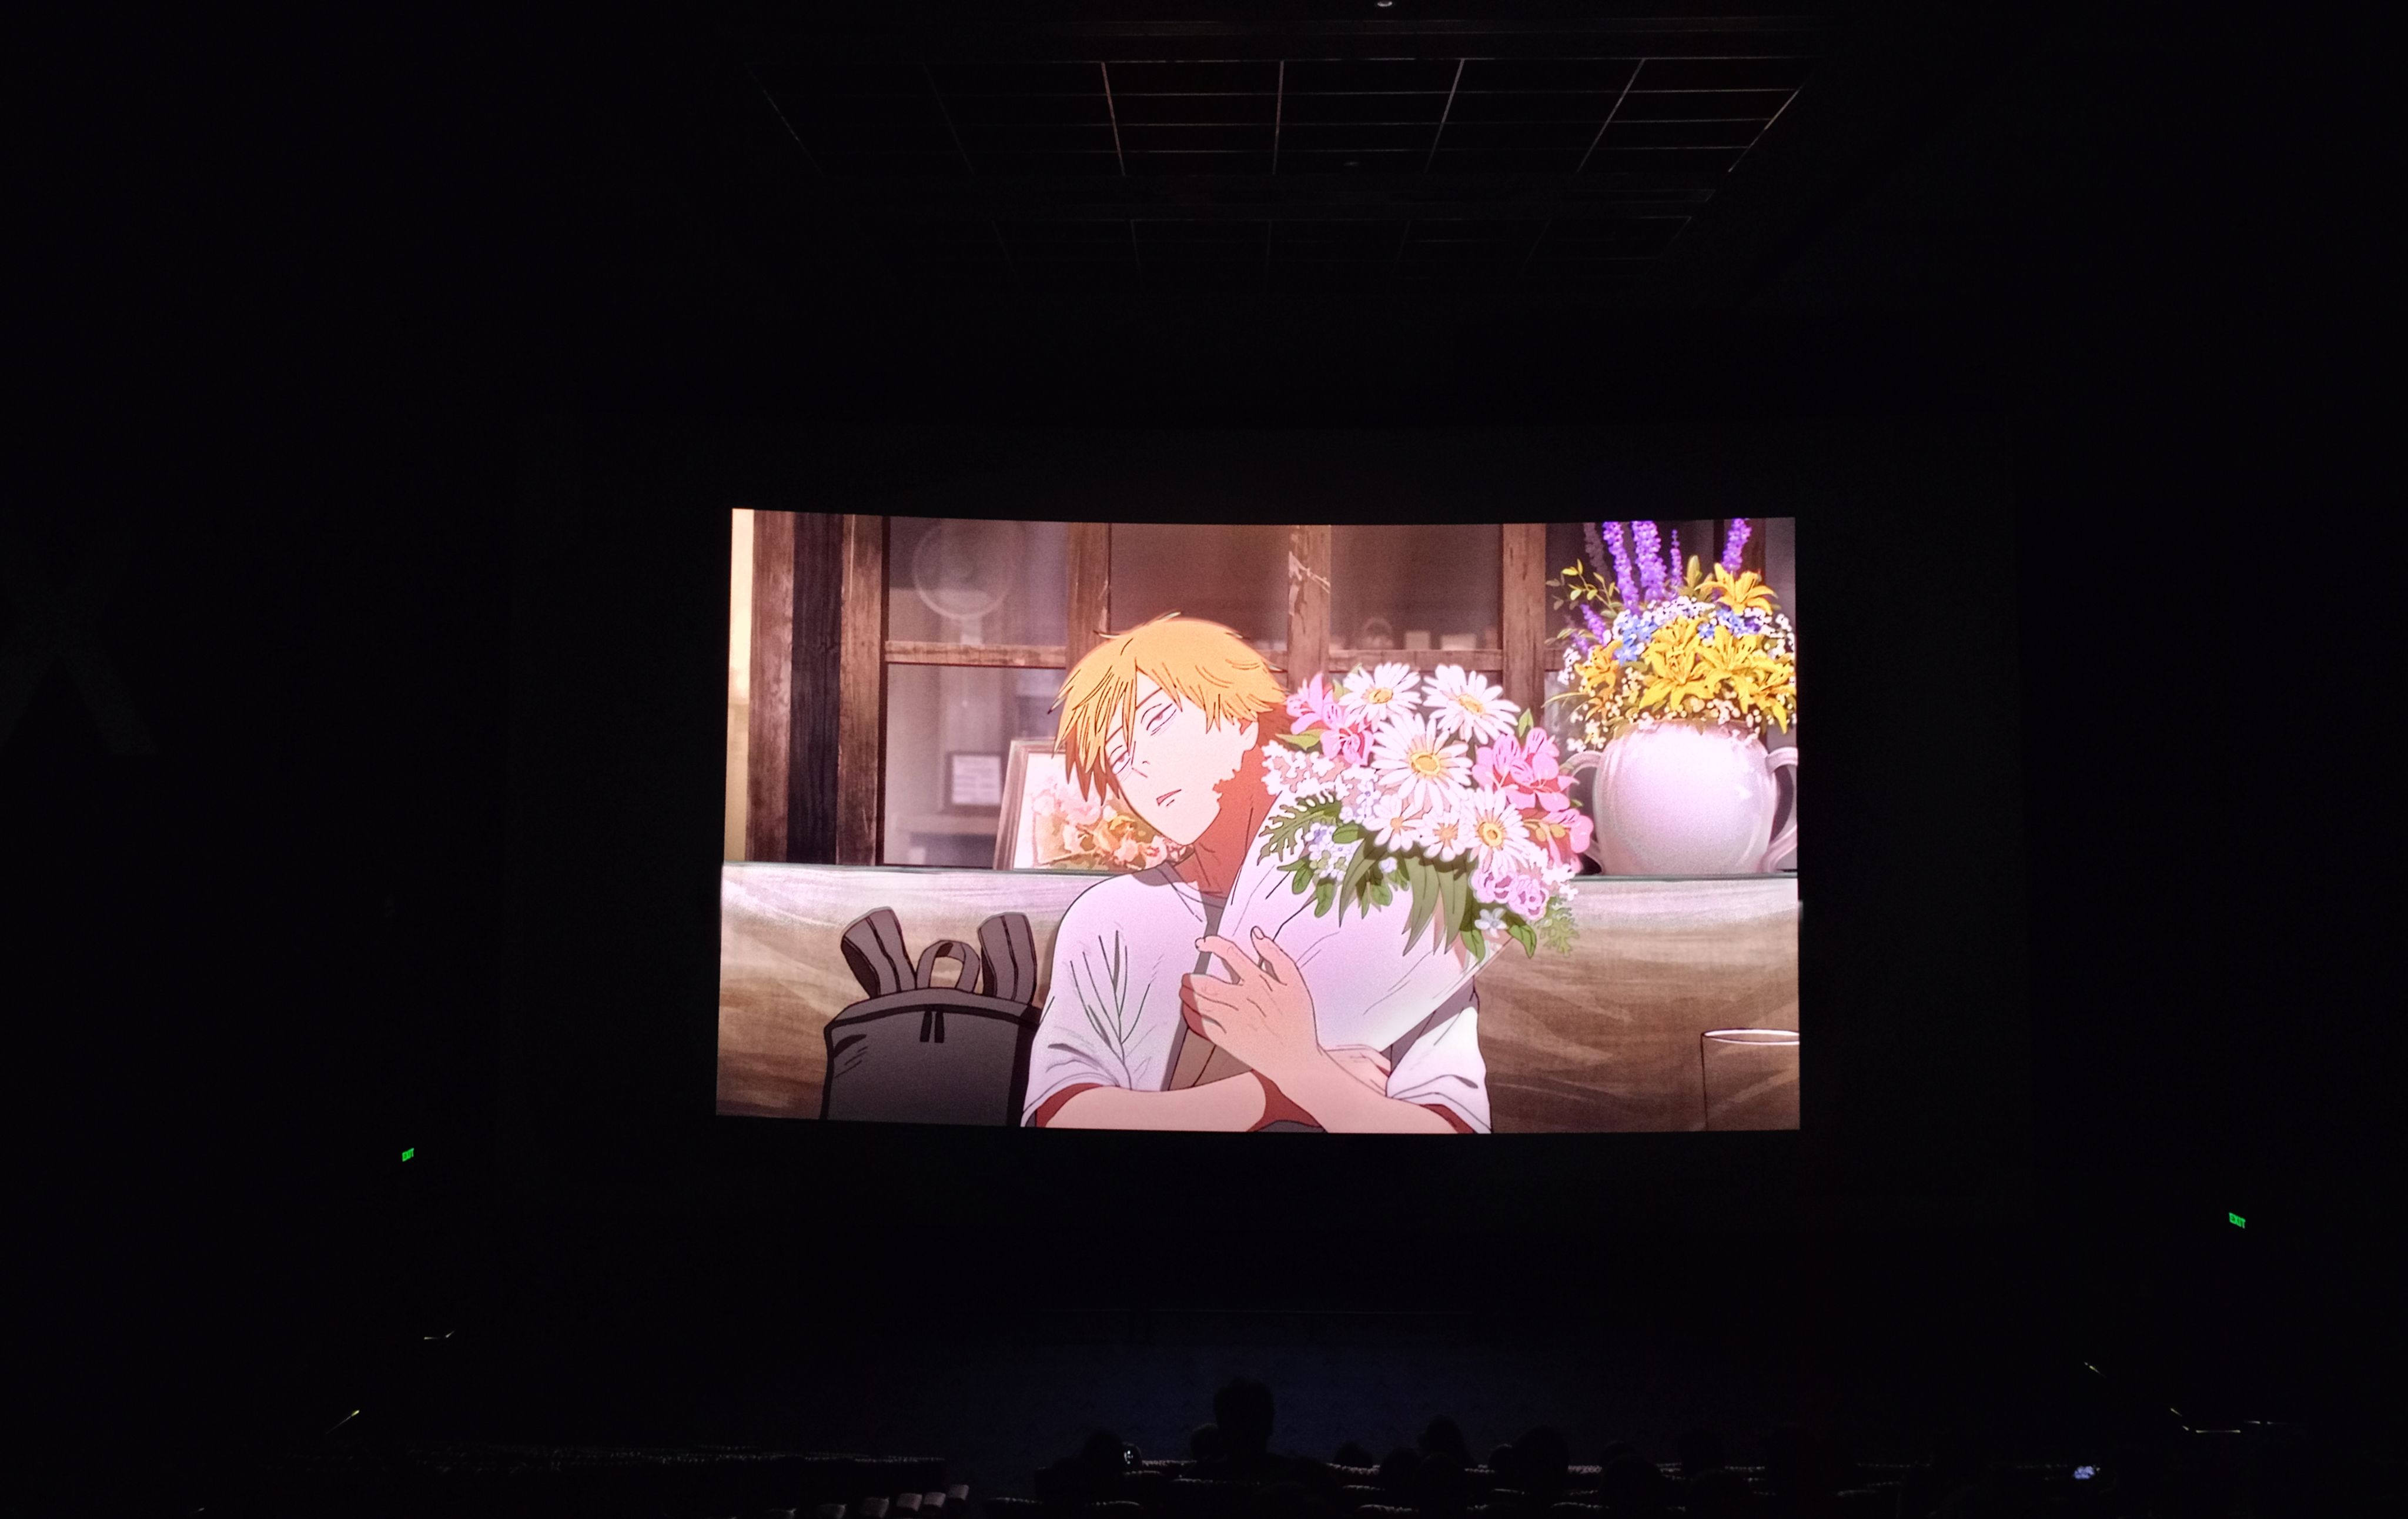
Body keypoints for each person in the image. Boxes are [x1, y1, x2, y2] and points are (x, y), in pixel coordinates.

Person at [1021, 615, 1490, 1133]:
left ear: (1241, 718)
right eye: (1121, 758)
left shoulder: (1396, 901)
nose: (1144, 767)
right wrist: (1274, 1089)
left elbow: (1456, 1127)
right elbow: (1060, 1116)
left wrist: (1304, 1069)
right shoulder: (1106, 919)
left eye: (1158, 721)